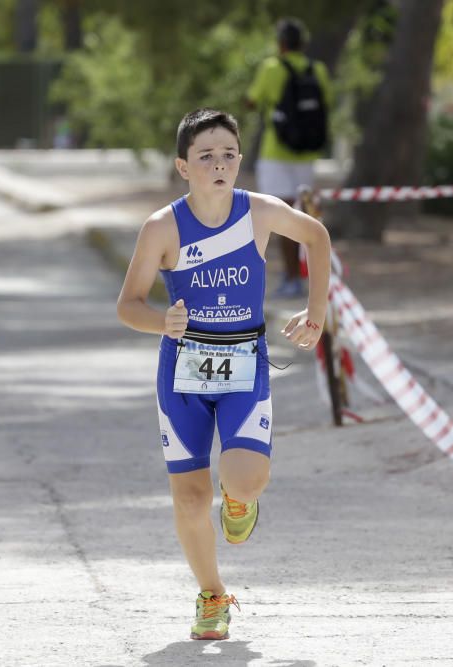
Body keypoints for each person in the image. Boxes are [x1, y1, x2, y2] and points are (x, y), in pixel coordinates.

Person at [116, 108, 330, 640]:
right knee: (189, 497)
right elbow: (128, 305)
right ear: (183, 167)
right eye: (206, 156)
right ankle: (212, 596)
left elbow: (317, 236)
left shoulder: (257, 212)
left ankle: (240, 499)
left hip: (243, 366)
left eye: (229, 155)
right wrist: (159, 321)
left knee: (244, 478)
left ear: (240, 162)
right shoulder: (162, 228)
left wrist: (317, 311)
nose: (220, 165)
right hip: (182, 374)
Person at [245, 18, 332, 298]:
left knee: (279, 216)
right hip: (307, 154)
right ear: (303, 44)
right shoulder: (317, 69)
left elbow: (252, 99)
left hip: (276, 153)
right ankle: (307, 274)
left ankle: (292, 278)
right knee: (303, 215)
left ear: (281, 44)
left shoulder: (271, 68)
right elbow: (327, 103)